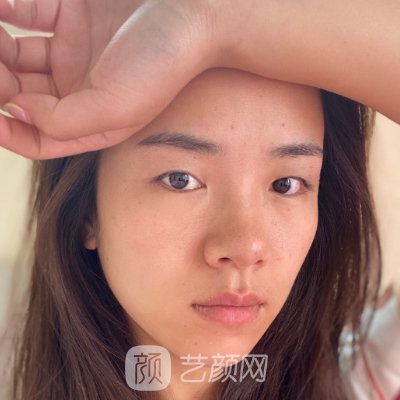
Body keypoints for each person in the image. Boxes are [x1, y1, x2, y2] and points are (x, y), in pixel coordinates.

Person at [0, 0, 396, 399]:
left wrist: (210, 16)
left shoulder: (363, 381)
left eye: (285, 184)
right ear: (87, 209)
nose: (245, 248)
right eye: (181, 180)